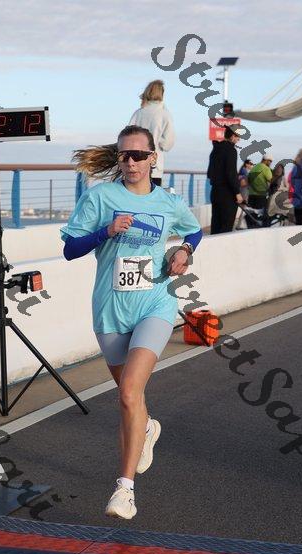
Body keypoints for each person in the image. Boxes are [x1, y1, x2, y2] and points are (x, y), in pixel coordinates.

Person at [61, 125, 202, 519]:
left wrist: (184, 252)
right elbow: (70, 249)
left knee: (127, 394)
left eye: (139, 155)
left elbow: (193, 231)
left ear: (153, 158)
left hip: (155, 303)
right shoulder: (100, 197)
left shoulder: (168, 201)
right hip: (111, 310)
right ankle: (148, 427)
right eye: (124, 155)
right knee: (132, 399)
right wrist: (106, 231)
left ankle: (124, 491)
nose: (131, 162)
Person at [129, 80, 175, 187]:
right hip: (154, 167)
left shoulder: (138, 113)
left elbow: (127, 136)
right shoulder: (164, 114)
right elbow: (167, 144)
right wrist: (158, 142)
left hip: (135, 165)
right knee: (152, 195)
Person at [207, 126, 243, 234]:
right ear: (232, 136)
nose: (238, 139)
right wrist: (237, 192)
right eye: (237, 137)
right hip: (227, 194)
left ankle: (213, 244)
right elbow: (231, 173)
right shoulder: (231, 150)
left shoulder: (215, 149)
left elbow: (209, 173)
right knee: (226, 226)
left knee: (216, 224)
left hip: (215, 192)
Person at [246, 154, 273, 228]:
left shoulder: (254, 168)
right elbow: (271, 180)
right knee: (260, 214)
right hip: (261, 195)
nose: (270, 163)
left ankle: (250, 227)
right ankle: (258, 229)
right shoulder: (266, 168)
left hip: (251, 195)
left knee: (251, 213)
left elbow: (248, 180)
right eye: (270, 161)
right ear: (266, 160)